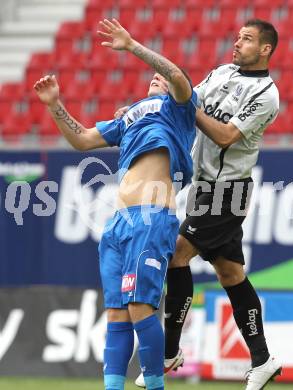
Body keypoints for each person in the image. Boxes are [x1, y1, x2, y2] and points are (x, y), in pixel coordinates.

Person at [34, 18, 198, 390]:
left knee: (141, 310)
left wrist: (131, 46)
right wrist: (55, 106)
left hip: (152, 217)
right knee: (117, 316)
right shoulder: (129, 118)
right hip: (118, 223)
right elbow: (83, 140)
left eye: (161, 75)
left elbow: (174, 74)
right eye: (152, 77)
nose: (157, 78)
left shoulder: (178, 109)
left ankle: (156, 386)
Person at [135, 19, 282, 390]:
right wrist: (145, 107)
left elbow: (226, 134)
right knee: (231, 275)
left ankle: (169, 351)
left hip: (227, 191)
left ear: (265, 49)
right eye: (237, 37)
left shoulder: (266, 93)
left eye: (247, 39)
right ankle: (263, 359)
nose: (237, 43)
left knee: (176, 255)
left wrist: (188, 107)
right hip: (205, 189)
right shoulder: (220, 73)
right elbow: (183, 97)